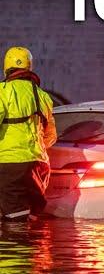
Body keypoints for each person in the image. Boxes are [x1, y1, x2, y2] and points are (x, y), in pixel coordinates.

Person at [0, 47, 57, 222]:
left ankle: (17, 249)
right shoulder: (43, 96)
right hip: (38, 166)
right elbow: (51, 136)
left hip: (9, 164)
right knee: (30, 217)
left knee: (14, 223)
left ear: (6, 67)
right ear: (29, 67)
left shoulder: (3, 91)